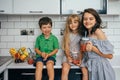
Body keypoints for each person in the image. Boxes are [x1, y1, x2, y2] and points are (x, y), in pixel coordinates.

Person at [80, 8, 115, 80]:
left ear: (96, 20)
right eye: (85, 19)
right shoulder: (87, 33)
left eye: (91, 19)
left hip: (101, 69)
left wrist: (93, 48)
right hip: (92, 68)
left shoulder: (98, 32)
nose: (87, 21)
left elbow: (110, 56)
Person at [61, 14, 88, 80]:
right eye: (70, 23)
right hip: (69, 55)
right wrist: (68, 57)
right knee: (64, 69)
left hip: (80, 56)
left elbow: (82, 49)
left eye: (75, 22)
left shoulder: (82, 35)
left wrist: (80, 59)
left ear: (79, 23)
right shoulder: (67, 34)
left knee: (85, 72)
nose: (73, 24)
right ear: (68, 25)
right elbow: (66, 48)